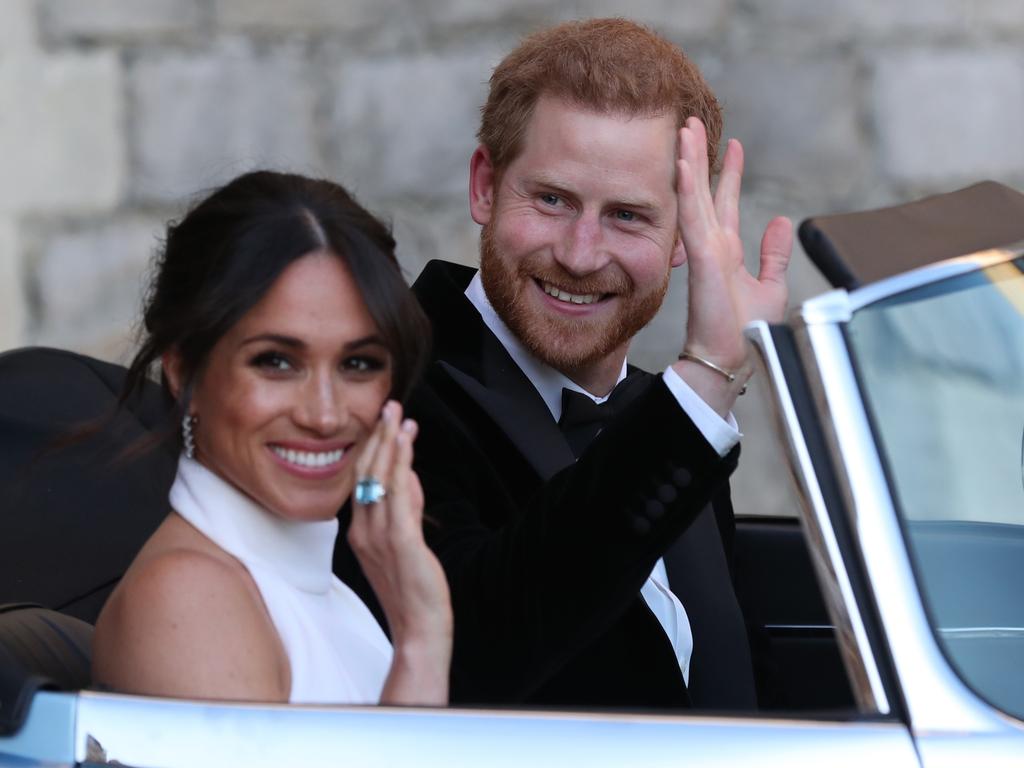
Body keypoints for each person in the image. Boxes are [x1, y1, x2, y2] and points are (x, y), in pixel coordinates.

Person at [336, 18, 792, 710]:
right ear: (485, 186)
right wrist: (705, 380)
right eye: (552, 200)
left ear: (682, 236)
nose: (580, 254)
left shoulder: (664, 415)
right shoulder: (383, 387)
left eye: (629, 216)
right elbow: (468, 655)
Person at [91, 171, 452, 705]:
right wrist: (422, 643)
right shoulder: (189, 599)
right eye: (276, 362)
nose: (325, 415)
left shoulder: (322, 591)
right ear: (182, 370)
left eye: (358, 363)